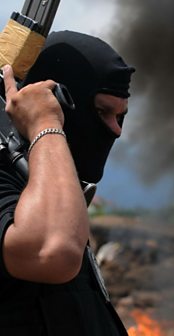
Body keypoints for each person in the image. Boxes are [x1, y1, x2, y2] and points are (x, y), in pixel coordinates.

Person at [0, 30, 134, 335]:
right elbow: (52, 251)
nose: (116, 130)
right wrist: (45, 123)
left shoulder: (45, 191)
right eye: (102, 111)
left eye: (120, 116)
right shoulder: (6, 179)